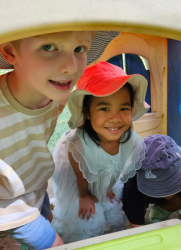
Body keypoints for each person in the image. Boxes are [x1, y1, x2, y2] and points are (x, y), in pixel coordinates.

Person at [0, 31, 119, 249]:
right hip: (9, 205)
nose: (71, 67)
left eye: (79, 49)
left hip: (35, 184)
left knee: (49, 221)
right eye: (48, 47)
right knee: (56, 244)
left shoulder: (57, 96)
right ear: (10, 51)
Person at [51, 61, 149, 243]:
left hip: (95, 171)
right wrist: (85, 195)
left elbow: (116, 166)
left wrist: (106, 187)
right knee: (82, 217)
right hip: (76, 175)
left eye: (124, 108)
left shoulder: (131, 140)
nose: (116, 118)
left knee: (109, 195)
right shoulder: (77, 144)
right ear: (87, 112)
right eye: (104, 108)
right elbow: (82, 178)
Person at [122, 135, 181, 228]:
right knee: (136, 211)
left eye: (175, 184)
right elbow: (136, 226)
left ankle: (157, 215)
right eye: (167, 186)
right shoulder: (132, 183)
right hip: (142, 193)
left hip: (156, 192)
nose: (171, 191)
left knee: (180, 200)